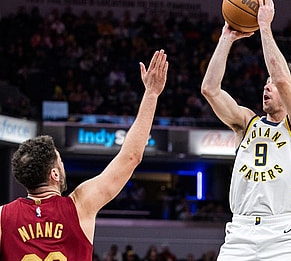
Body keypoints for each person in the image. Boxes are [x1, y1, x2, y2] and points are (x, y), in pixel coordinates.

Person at [0, 49, 169, 260]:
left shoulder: (2, 217)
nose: (63, 166)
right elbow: (131, 157)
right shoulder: (80, 204)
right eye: (61, 162)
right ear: (54, 174)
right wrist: (152, 93)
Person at [201, 0, 291, 261]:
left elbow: (283, 80)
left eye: (272, 84)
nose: (267, 85)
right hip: (239, 232)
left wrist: (264, 26)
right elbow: (210, 89)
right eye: (265, 82)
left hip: (283, 233)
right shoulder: (246, 123)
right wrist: (226, 39)